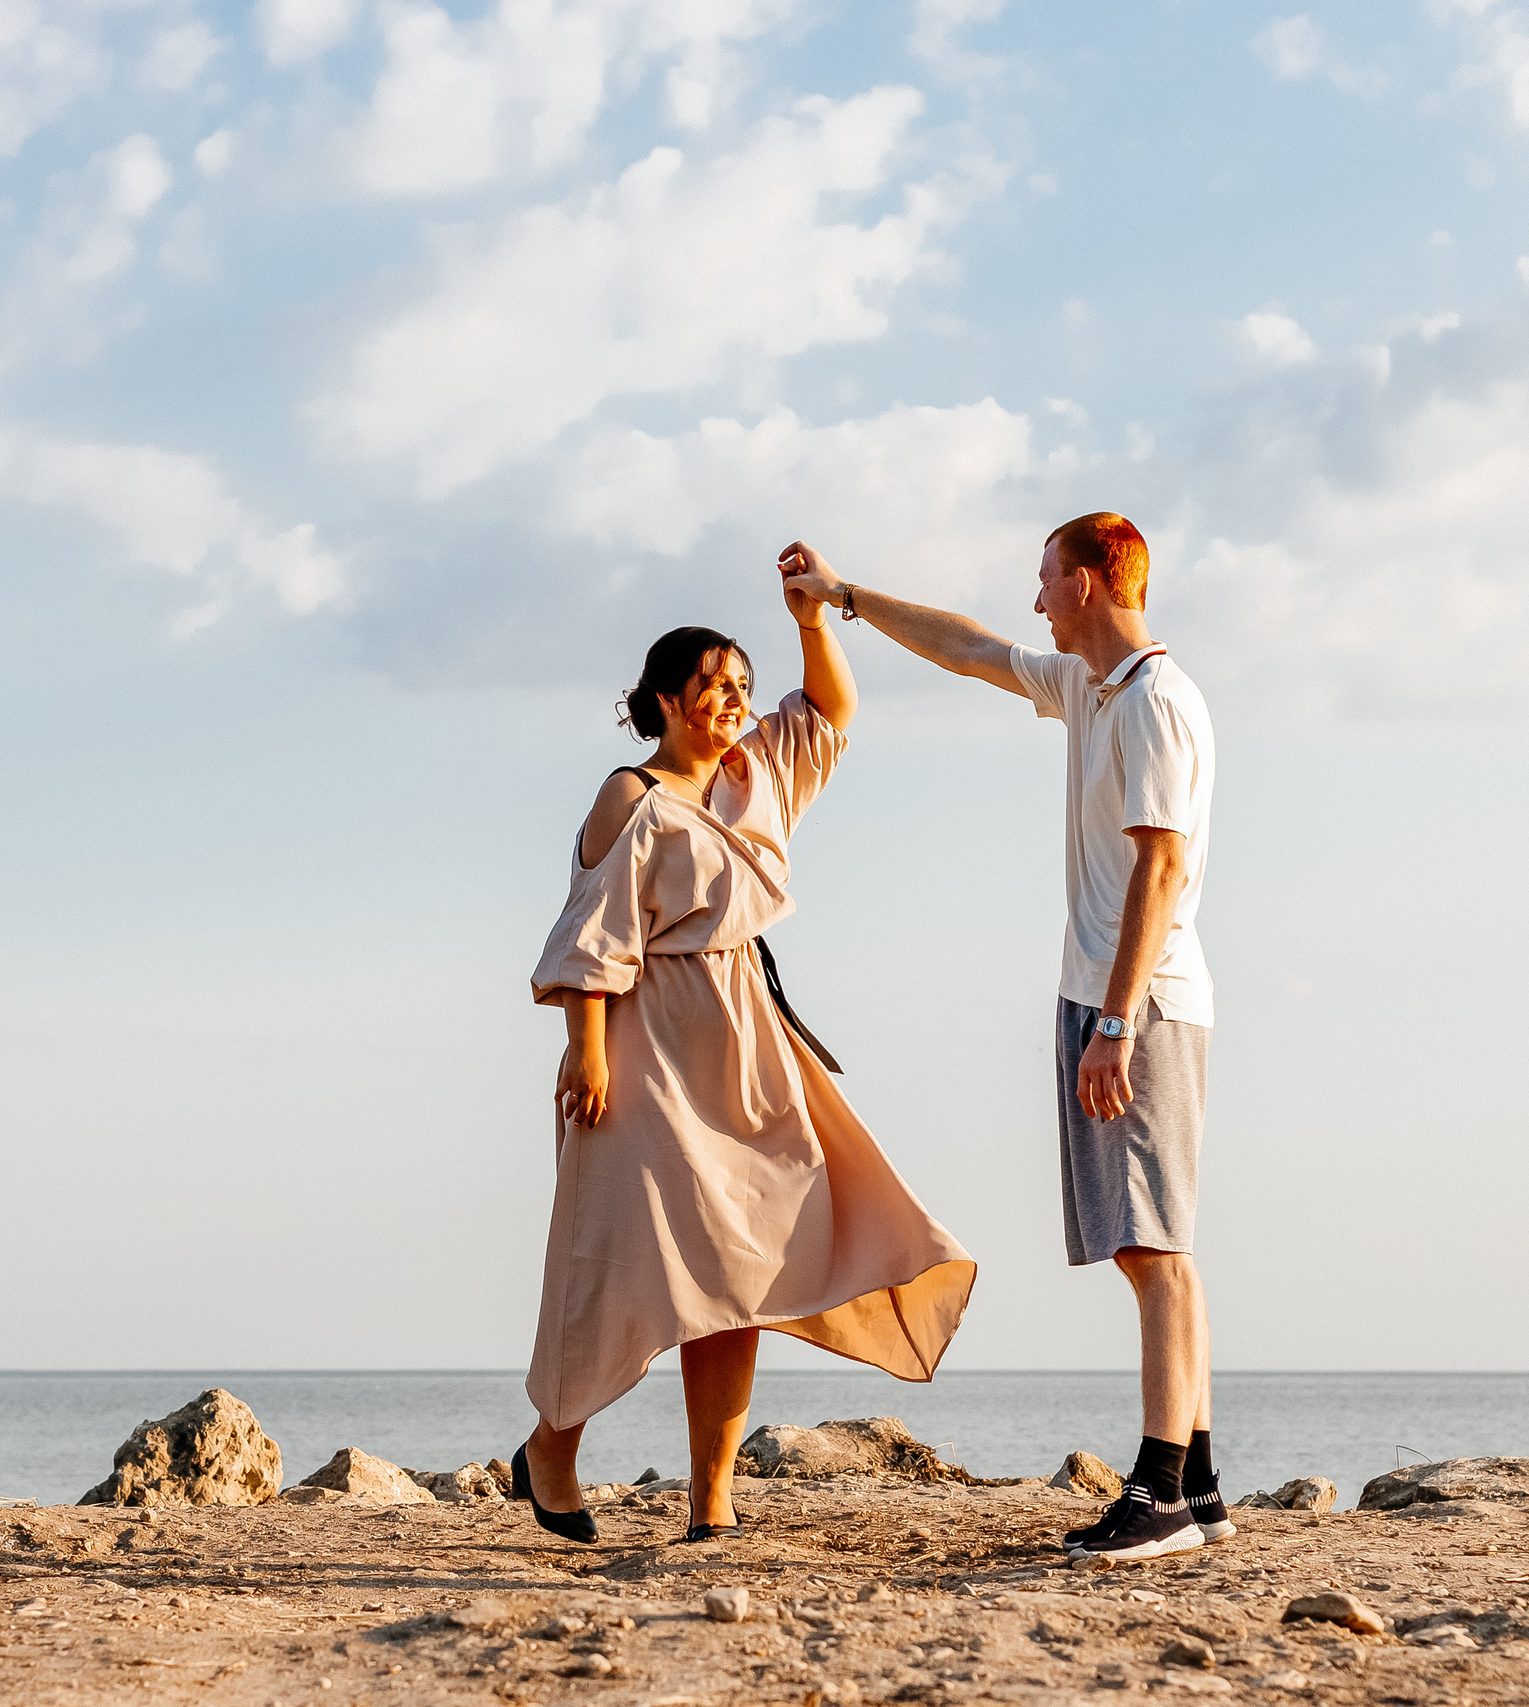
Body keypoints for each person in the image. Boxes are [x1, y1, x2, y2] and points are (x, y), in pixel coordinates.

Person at [777, 514, 1225, 1562]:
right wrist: (844, 597)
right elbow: (969, 648)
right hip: (1108, 998)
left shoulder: (1156, 701)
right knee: (1150, 1242)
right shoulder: (1091, 687)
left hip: (1141, 1002)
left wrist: (1115, 1020)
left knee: (1151, 1247)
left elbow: (1161, 867)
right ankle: (1197, 1485)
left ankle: (1160, 1491)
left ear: (1086, 583)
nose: (1034, 602)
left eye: (1044, 580)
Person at [513, 564, 977, 1546]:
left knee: (741, 1274)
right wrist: (586, 1052)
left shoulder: (754, 775)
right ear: (665, 699)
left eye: (742, 684)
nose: (734, 699)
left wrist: (814, 618)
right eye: (714, 684)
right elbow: (592, 933)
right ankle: (551, 1448)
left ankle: (712, 1498)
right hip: (643, 1045)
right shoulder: (631, 796)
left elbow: (832, 707)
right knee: (614, 1261)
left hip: (746, 1044)